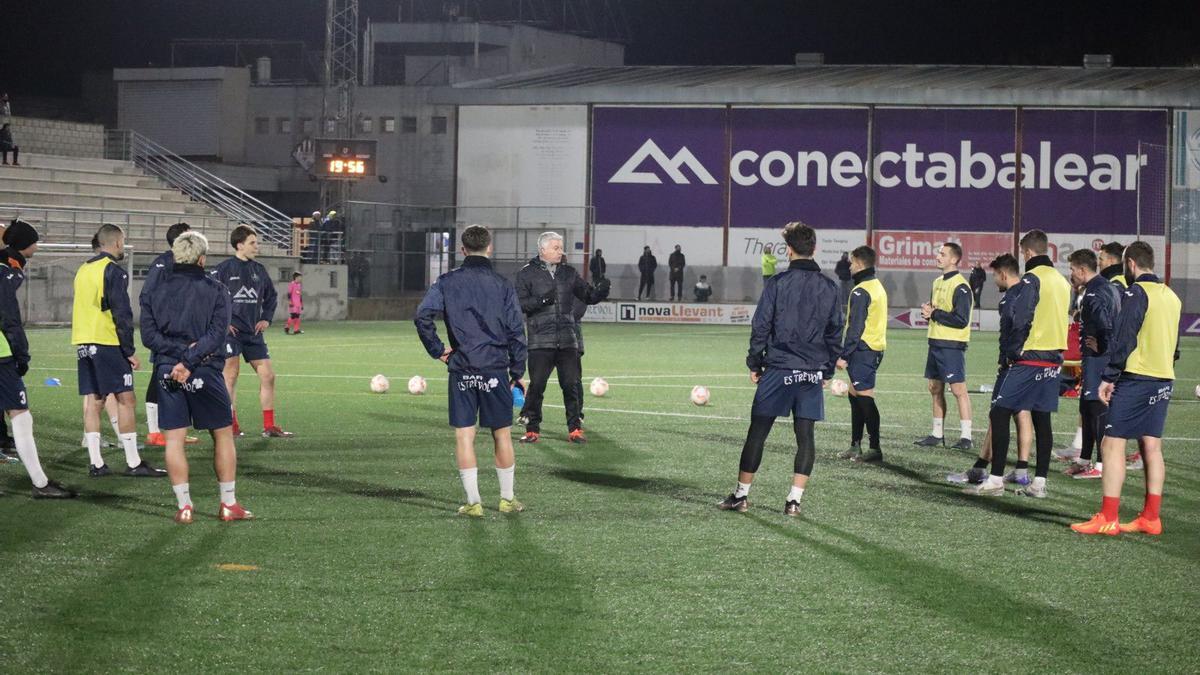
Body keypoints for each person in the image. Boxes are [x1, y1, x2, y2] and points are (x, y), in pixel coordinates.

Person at [718, 222, 842, 517]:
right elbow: (835, 332)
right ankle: (794, 502)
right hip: (810, 371)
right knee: (806, 436)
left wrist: (754, 362)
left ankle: (741, 496)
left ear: (789, 251)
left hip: (778, 368)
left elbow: (760, 325)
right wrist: (826, 371)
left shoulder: (777, 283)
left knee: (757, 433)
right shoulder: (829, 287)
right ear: (814, 249)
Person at [414, 225, 528, 516]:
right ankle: (506, 500)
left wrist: (438, 350)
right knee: (501, 434)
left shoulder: (446, 281)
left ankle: (474, 502)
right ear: (489, 248)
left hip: (462, 368)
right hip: (494, 368)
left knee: (465, 435)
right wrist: (517, 371)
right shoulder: (502, 284)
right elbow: (516, 330)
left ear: (462, 250)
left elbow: (422, 316)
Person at [140, 231, 252, 522]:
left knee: (174, 439)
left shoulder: (155, 289)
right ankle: (228, 504)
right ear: (203, 259)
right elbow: (216, 336)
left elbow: (148, 337)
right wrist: (189, 359)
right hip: (204, 368)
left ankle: (184, 507)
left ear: (175, 256)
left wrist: (178, 356)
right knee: (223, 434)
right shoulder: (216, 289)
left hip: (168, 369)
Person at [1071, 241, 1180, 536]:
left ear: (1130, 264)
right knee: (1151, 446)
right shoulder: (1171, 295)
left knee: (1111, 444)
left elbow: (1124, 337)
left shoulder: (1136, 292)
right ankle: (1151, 517)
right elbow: (1175, 346)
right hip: (1164, 377)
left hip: (1136, 377)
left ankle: (1108, 517)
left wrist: (1109, 376)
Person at [965, 230, 1069, 499]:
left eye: (1023, 253)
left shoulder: (1032, 279)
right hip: (1054, 358)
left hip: (1030, 356)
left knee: (999, 413)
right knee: (1041, 418)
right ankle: (1039, 484)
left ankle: (996, 478)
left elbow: (1021, 317)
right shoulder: (1062, 281)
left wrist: (1013, 350)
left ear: (1028, 253)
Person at [72, 223, 165, 478]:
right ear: (115, 243)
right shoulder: (113, 271)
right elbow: (121, 313)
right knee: (126, 399)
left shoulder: (83, 269)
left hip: (83, 342)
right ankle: (134, 462)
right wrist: (129, 351)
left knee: (95, 400)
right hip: (107, 342)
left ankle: (96, 463)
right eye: (122, 242)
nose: (123, 246)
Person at [0, 220, 75, 498]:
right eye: (35, 240)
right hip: (1, 355)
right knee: (20, 414)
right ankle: (40, 483)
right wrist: (21, 353)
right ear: (25, 244)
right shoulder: (6, 270)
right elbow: (8, 318)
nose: (38, 245)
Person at [515, 232, 610, 444]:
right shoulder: (526, 274)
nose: (561, 251)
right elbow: (519, 304)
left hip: (568, 340)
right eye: (556, 247)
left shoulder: (569, 273)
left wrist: (601, 291)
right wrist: (542, 300)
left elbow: (588, 296)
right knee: (537, 386)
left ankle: (574, 429)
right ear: (543, 250)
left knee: (570, 385)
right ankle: (532, 429)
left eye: (561, 247)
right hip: (540, 340)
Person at [947, 254, 1034, 487]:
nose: (995, 280)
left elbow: (1018, 328)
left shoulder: (1013, 297)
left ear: (1003, 274)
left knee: (999, 414)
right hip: (1028, 363)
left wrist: (1009, 357)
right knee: (1020, 413)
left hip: (1014, 365)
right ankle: (1018, 470)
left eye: (995, 275)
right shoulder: (1030, 289)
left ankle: (990, 475)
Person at [211, 225, 292, 438]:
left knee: (268, 376)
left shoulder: (259, 270)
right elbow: (210, 298)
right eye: (252, 243)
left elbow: (271, 297)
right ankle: (231, 425)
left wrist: (266, 317)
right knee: (231, 374)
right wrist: (221, 321)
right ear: (240, 245)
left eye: (256, 242)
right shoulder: (223, 269)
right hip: (231, 332)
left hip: (253, 333)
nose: (257, 246)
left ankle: (269, 426)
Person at [141, 222, 199, 448]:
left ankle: (176, 430)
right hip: (166, 333)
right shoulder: (163, 263)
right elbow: (147, 296)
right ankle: (154, 432)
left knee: (179, 378)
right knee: (159, 376)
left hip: (185, 331)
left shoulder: (184, 263)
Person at [1063, 248, 1118, 480]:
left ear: (1082, 270)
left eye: (1072, 270)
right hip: (1095, 358)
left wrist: (1103, 346)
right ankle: (1085, 460)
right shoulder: (1105, 287)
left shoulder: (1095, 292)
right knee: (1086, 408)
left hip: (1098, 359)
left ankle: (1101, 465)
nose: (1071, 274)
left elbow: (1106, 325)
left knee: (1097, 410)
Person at [914, 242, 974, 450]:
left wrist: (935, 314)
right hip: (935, 342)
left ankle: (966, 436)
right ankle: (937, 433)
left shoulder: (961, 286)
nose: (938, 257)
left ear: (954, 259)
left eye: (942, 254)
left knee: (958, 390)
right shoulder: (937, 281)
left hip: (952, 345)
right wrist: (928, 312)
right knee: (935, 388)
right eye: (938, 253)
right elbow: (936, 311)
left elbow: (961, 319)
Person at [835, 246, 887, 463]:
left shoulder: (860, 291)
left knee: (865, 399)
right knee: (855, 395)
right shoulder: (876, 285)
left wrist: (844, 355)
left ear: (858, 263)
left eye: (852, 262)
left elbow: (855, 327)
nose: (849, 265)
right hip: (874, 347)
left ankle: (874, 449)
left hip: (863, 350)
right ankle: (855, 445)